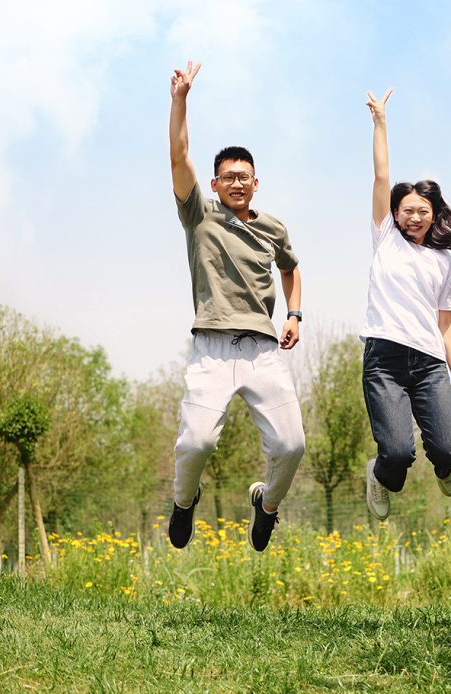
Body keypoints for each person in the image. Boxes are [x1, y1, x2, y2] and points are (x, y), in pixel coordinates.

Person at [166, 61, 305, 553]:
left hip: (264, 349)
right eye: (228, 178)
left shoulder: (273, 228)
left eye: (244, 177)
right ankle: (184, 502)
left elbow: (291, 268)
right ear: (216, 184)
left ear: (256, 182)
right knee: (196, 443)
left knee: (292, 446)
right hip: (212, 349)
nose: (237, 184)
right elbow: (179, 154)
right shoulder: (199, 215)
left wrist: (293, 314)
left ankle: (265, 506)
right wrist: (180, 99)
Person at [362, 89, 451, 521]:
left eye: (422, 211)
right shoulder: (384, 237)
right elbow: (381, 175)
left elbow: (447, 322)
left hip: (428, 363)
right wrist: (380, 123)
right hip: (384, 358)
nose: (413, 217)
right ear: (395, 214)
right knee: (398, 453)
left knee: (447, 448)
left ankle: (446, 466)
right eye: (406, 210)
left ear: (433, 213)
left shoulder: (444, 262)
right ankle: (380, 476)